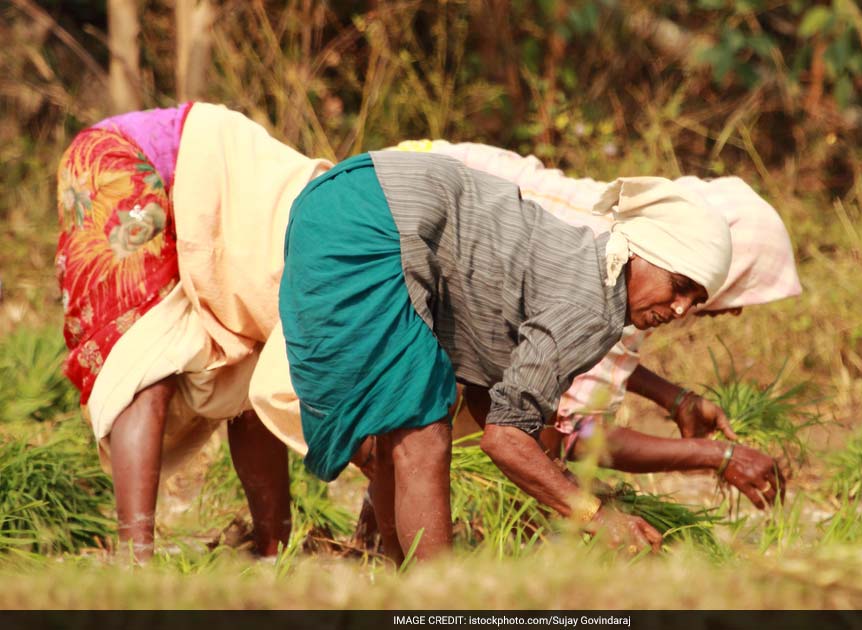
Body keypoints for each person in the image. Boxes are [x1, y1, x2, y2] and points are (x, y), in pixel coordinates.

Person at [269, 149, 734, 563]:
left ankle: (409, 593)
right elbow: (504, 439)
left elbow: (493, 406)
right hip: (374, 216)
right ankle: (439, 608)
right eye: (681, 287)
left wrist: (567, 491)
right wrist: (596, 515)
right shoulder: (593, 307)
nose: (680, 310)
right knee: (423, 434)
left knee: (405, 429)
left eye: (695, 301)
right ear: (641, 253)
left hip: (343, 193)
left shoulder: (581, 264)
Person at [390, 141, 801, 508]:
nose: (736, 311)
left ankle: (388, 548)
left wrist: (676, 399)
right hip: (411, 214)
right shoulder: (627, 269)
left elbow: (571, 353)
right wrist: (719, 457)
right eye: (747, 288)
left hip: (410, 175)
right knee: (424, 426)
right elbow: (578, 435)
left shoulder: (649, 259)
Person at [55, 102, 331, 559]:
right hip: (118, 158)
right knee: (144, 353)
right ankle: (136, 561)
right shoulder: (322, 242)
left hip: (198, 187)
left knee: (252, 367)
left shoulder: (319, 247)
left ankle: (272, 550)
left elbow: (269, 385)